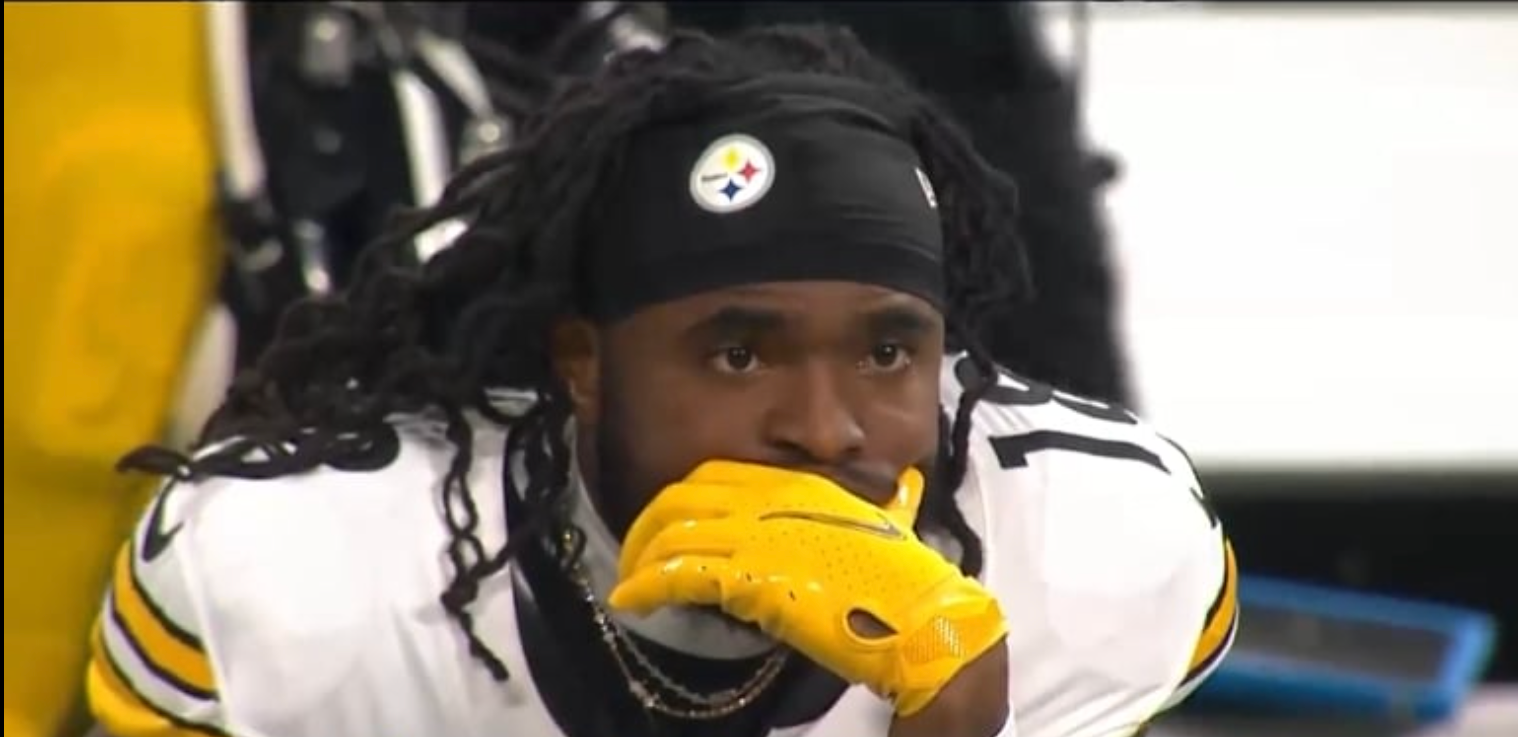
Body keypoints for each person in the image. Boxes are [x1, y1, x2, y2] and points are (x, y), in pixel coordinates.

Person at [84, 24, 1235, 737]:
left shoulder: (1089, 545)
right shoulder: (300, 571)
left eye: (889, 351)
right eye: (738, 352)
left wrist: (960, 702)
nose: (826, 428)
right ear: (582, 364)